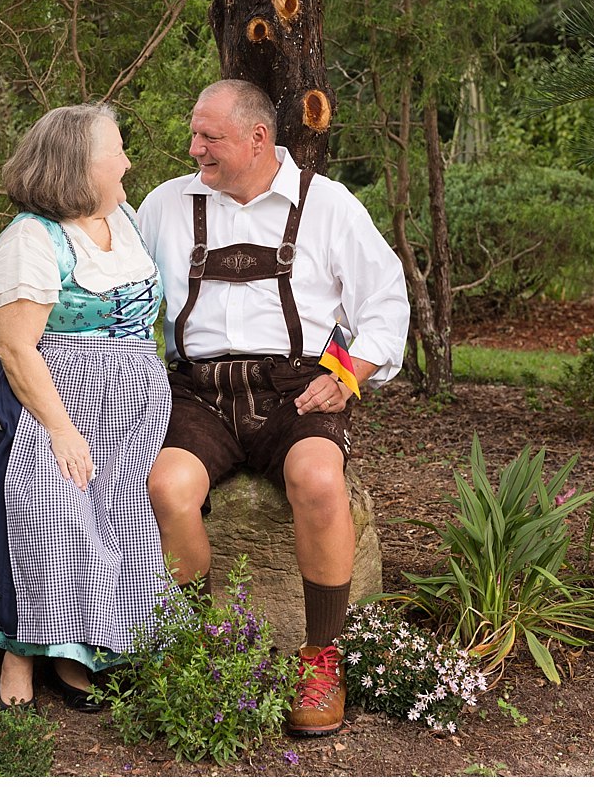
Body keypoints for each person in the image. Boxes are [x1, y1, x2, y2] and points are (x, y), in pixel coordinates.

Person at [136, 79, 409, 737]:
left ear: (260, 138)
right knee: (167, 487)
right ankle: (197, 645)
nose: (194, 147)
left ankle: (322, 657)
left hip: (297, 391)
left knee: (317, 480)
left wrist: (348, 374)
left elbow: (387, 300)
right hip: (198, 392)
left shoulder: (329, 205)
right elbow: (111, 283)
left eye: (210, 137)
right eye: (194, 133)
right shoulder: (166, 205)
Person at [0, 103, 171, 712]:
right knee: (49, 509)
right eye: (116, 150)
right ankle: (22, 649)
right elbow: (14, 347)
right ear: (77, 166)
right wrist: (61, 431)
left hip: (125, 405)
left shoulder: (129, 219)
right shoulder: (32, 238)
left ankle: (84, 648)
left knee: (123, 514)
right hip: (40, 400)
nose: (127, 161)